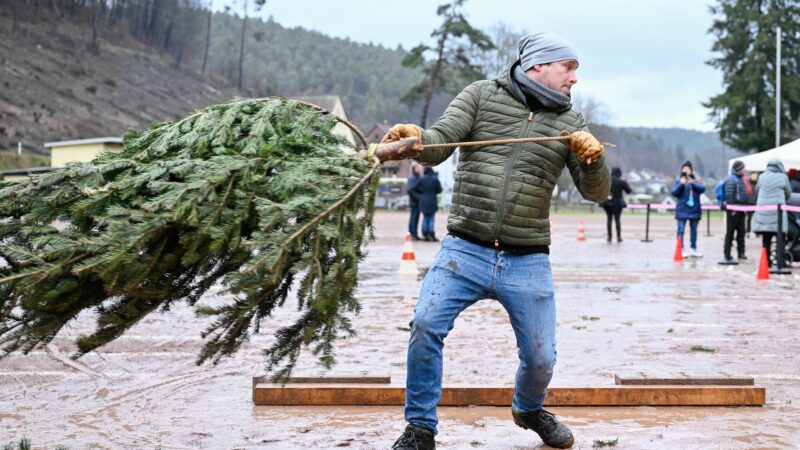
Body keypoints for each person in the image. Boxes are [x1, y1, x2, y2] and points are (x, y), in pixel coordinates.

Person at [382, 32, 610, 450]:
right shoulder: (481, 95)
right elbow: (441, 141)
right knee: (426, 324)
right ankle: (420, 428)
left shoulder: (571, 123)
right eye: (569, 68)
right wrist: (415, 137)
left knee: (541, 358)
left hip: (527, 259)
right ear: (538, 66)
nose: (574, 79)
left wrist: (593, 160)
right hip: (464, 248)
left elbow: (595, 193)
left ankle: (528, 408)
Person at [752, 159, 792, 266]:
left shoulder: (762, 176)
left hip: (763, 211)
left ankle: (766, 262)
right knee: (780, 238)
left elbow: (757, 190)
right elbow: (788, 193)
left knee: (766, 239)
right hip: (777, 213)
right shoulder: (783, 177)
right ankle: (780, 262)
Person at [671, 161, 705, 257]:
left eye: (688, 169)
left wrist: (692, 183)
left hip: (694, 210)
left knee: (694, 230)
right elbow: (674, 193)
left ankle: (693, 249)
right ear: (681, 171)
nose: (686, 170)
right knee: (681, 230)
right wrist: (681, 184)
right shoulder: (678, 181)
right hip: (682, 210)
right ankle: (680, 249)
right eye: (684, 169)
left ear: (691, 171)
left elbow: (702, 189)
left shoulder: (696, 180)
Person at [721, 160, 749, 263]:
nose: (744, 169)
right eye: (743, 168)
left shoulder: (740, 179)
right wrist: (732, 208)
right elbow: (729, 195)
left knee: (741, 232)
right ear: (738, 169)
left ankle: (741, 253)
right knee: (730, 233)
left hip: (741, 210)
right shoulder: (731, 180)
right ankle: (727, 254)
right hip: (733, 211)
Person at [410, 167, 443, 241]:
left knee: (425, 218)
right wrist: (434, 191)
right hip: (432, 201)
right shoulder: (435, 179)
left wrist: (419, 196)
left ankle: (425, 235)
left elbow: (412, 189)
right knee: (431, 219)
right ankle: (431, 235)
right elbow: (440, 190)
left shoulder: (422, 179)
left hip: (423, 201)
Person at [600, 167, 631, 242]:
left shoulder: (606, 180)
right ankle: (619, 237)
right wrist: (625, 183)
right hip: (617, 204)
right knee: (617, 220)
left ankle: (609, 237)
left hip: (607, 203)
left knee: (609, 220)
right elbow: (628, 191)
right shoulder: (621, 181)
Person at [407, 163, 424, 240]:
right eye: (419, 168)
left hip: (416, 202)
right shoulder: (413, 178)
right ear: (415, 168)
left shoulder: (418, 177)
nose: (420, 169)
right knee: (414, 218)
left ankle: (414, 234)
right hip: (414, 202)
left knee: (415, 218)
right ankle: (413, 235)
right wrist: (418, 197)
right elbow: (410, 190)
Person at [746, 172, 758, 237]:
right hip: (749, 203)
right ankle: (748, 231)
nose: (754, 177)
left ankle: (755, 231)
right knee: (749, 218)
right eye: (753, 175)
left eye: (755, 176)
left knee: (756, 218)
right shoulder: (748, 183)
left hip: (756, 203)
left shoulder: (758, 184)